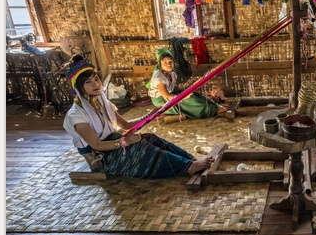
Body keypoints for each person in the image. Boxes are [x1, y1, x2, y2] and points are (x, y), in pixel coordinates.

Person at [63, 56, 213, 178]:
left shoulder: (102, 102)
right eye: (88, 82)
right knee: (141, 147)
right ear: (79, 88)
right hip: (101, 158)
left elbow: (126, 125)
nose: (96, 84)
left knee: (150, 138)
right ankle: (189, 167)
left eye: (96, 79)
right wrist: (124, 141)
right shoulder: (77, 115)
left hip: (112, 145)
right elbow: (96, 145)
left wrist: (150, 115)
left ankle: (190, 159)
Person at [146, 48, 229, 119]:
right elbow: (167, 97)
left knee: (193, 95)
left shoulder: (172, 73)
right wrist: (183, 97)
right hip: (162, 102)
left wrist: (187, 90)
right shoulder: (158, 77)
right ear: (160, 64)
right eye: (165, 63)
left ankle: (214, 106)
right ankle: (211, 110)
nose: (168, 65)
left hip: (170, 95)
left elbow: (173, 89)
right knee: (191, 101)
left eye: (170, 62)